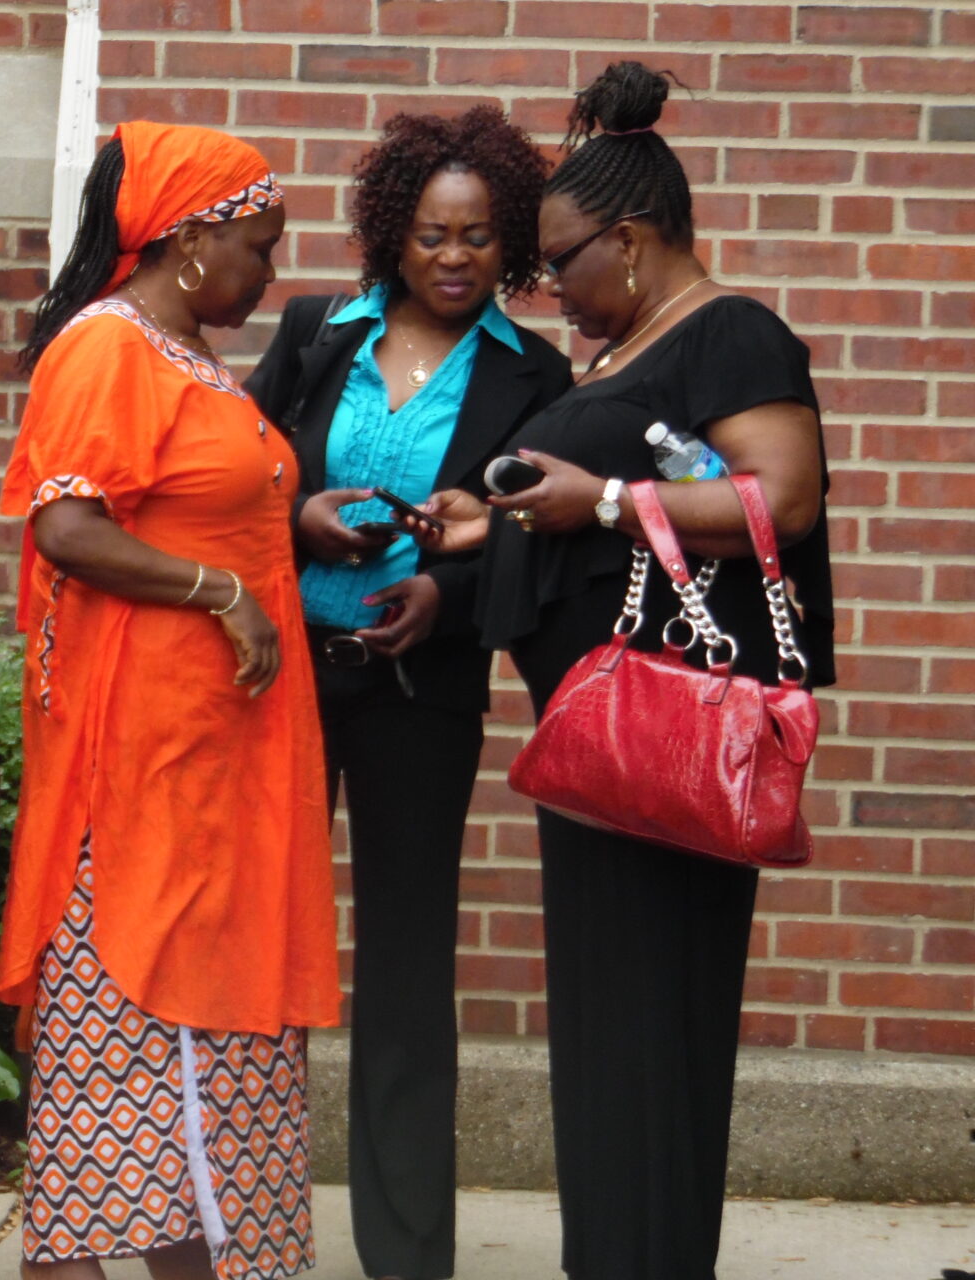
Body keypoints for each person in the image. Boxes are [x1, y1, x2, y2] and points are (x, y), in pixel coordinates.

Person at [422, 63, 831, 1280]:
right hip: (601, 744)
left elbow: (781, 495)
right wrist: (481, 521)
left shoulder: (734, 332)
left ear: (635, 242)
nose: (546, 286)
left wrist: (595, 495)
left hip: (673, 742)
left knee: (656, 1020)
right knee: (605, 1024)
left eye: (560, 262)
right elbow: (591, 512)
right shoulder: (624, 351)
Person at [0, 122, 344, 1280]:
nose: (268, 270)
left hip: (217, 756)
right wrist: (222, 591)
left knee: (201, 1050)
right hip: (149, 761)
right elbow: (69, 522)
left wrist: (296, 524)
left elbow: (195, 498)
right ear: (191, 240)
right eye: (259, 244)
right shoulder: (106, 349)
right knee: (133, 1051)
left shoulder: (181, 350)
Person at [242, 108, 568, 1280]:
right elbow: (238, 471)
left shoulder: (536, 374)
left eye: (480, 236)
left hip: (419, 691)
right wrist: (296, 517)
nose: (454, 255)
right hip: (280, 685)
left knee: (406, 963)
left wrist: (446, 592)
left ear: (511, 245)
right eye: (432, 231)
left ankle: (407, 1252)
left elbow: (536, 544)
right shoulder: (316, 331)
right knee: (253, 943)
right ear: (393, 231)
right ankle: (234, 1225)